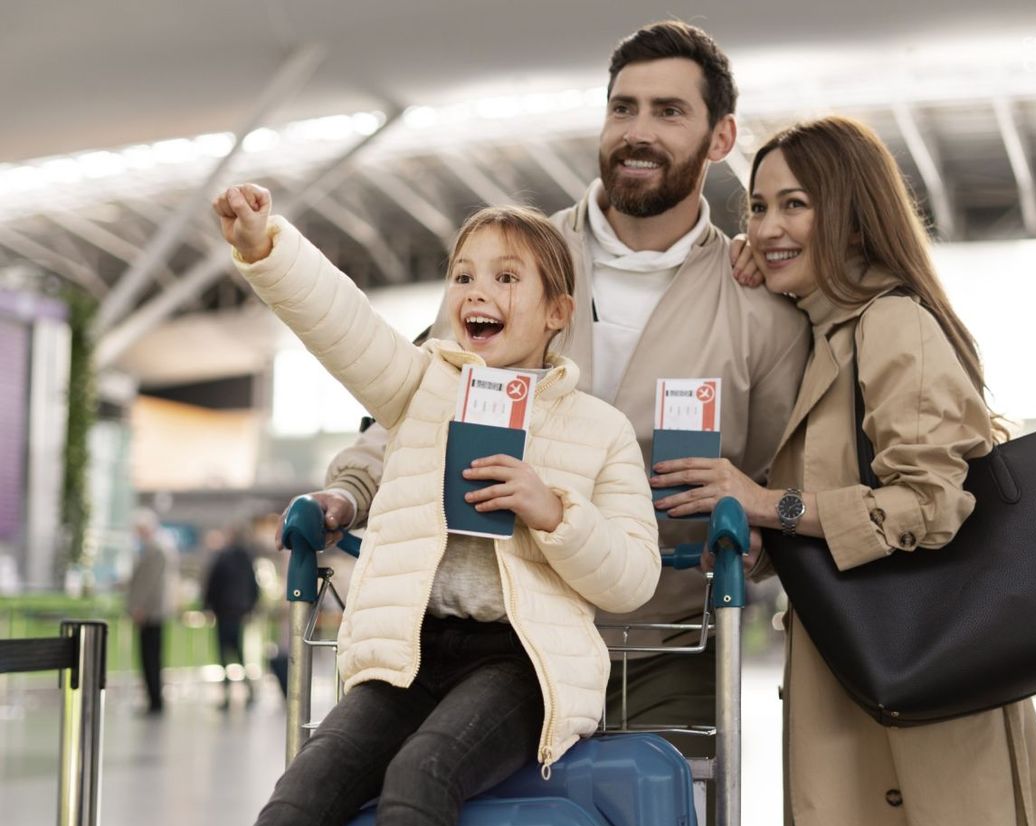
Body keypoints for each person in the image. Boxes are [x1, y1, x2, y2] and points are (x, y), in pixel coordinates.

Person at [283, 19, 811, 738]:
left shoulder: (760, 311)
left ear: (722, 139)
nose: (638, 130)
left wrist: (760, 539)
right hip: (500, 639)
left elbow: (784, 473)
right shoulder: (511, 263)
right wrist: (349, 490)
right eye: (623, 107)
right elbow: (424, 399)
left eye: (669, 111)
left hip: (666, 648)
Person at [654, 116, 1036, 826]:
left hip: (924, 689)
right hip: (860, 674)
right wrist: (762, 532)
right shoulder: (826, 336)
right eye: (757, 206)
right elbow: (831, 499)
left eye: (796, 204)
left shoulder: (892, 324)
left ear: (850, 213)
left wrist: (765, 502)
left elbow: (929, 505)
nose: (768, 225)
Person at [213, 185, 662, 826]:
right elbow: (344, 325)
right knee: (303, 789)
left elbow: (633, 578)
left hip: (518, 663)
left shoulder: (601, 431)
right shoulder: (422, 387)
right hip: (408, 652)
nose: (477, 290)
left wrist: (553, 511)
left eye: (507, 277)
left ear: (557, 312)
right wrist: (264, 245)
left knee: (422, 773)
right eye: (464, 274)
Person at [202, 525, 261, 709]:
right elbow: (253, 585)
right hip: (239, 611)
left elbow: (212, 584)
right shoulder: (246, 558)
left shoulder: (223, 557)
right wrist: (250, 607)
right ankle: (248, 690)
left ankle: (228, 694)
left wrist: (207, 605)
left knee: (224, 653)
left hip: (224, 611)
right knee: (239, 652)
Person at [126, 508, 174, 715]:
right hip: (150, 612)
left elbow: (150, 583)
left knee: (151, 658)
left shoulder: (155, 550)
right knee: (149, 658)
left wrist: (140, 607)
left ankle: (155, 701)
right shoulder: (153, 549)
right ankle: (153, 699)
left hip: (151, 613)